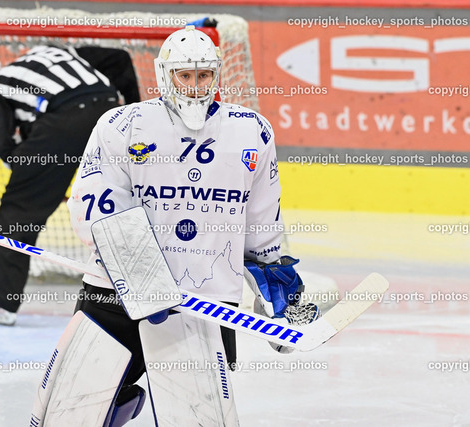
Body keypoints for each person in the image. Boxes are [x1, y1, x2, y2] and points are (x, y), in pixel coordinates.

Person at [67, 25, 310, 420]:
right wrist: (145, 281)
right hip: (115, 296)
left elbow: (262, 222)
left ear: (216, 76)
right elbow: (94, 205)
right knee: (72, 415)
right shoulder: (122, 125)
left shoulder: (251, 131)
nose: (195, 86)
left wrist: (280, 295)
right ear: (165, 75)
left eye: (203, 76)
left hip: (208, 304)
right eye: (185, 75)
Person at [0, 44, 140, 325]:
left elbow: (3, 143)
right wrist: (136, 111)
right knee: (123, 204)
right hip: (112, 113)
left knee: (18, 210)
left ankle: (2, 303)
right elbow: (118, 58)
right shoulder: (51, 52)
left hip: (65, 121)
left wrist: (37, 180)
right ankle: (145, 290)